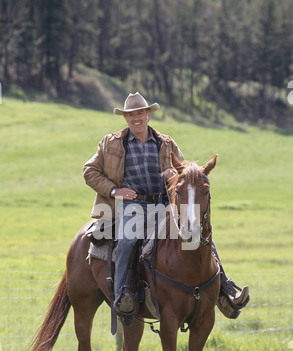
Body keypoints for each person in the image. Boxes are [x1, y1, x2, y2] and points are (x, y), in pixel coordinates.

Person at [83, 92, 249, 319]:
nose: (136, 118)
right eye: (130, 115)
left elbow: (186, 173)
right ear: (125, 118)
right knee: (127, 241)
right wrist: (114, 190)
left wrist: (175, 175)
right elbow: (89, 171)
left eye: (140, 113)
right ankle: (124, 293)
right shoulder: (111, 143)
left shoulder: (166, 142)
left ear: (148, 114)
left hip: (164, 205)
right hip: (132, 205)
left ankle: (223, 291)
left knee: (201, 235)